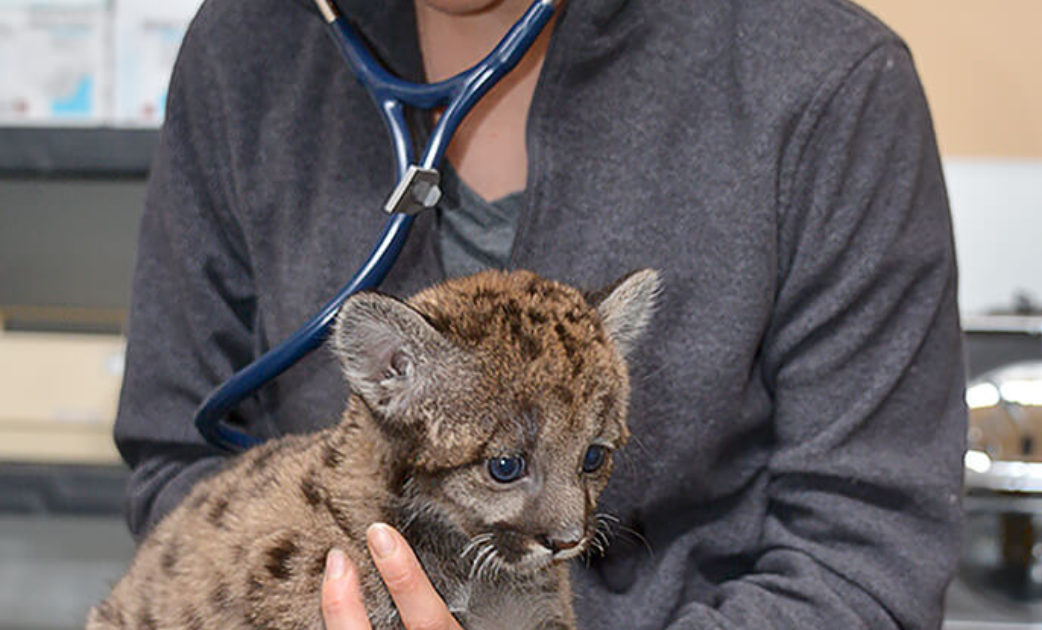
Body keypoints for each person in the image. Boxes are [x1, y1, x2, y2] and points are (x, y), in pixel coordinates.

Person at [114, 0, 967, 627]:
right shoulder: (242, 53)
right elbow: (177, 470)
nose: (572, 525)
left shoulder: (828, 82)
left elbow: (866, 563)